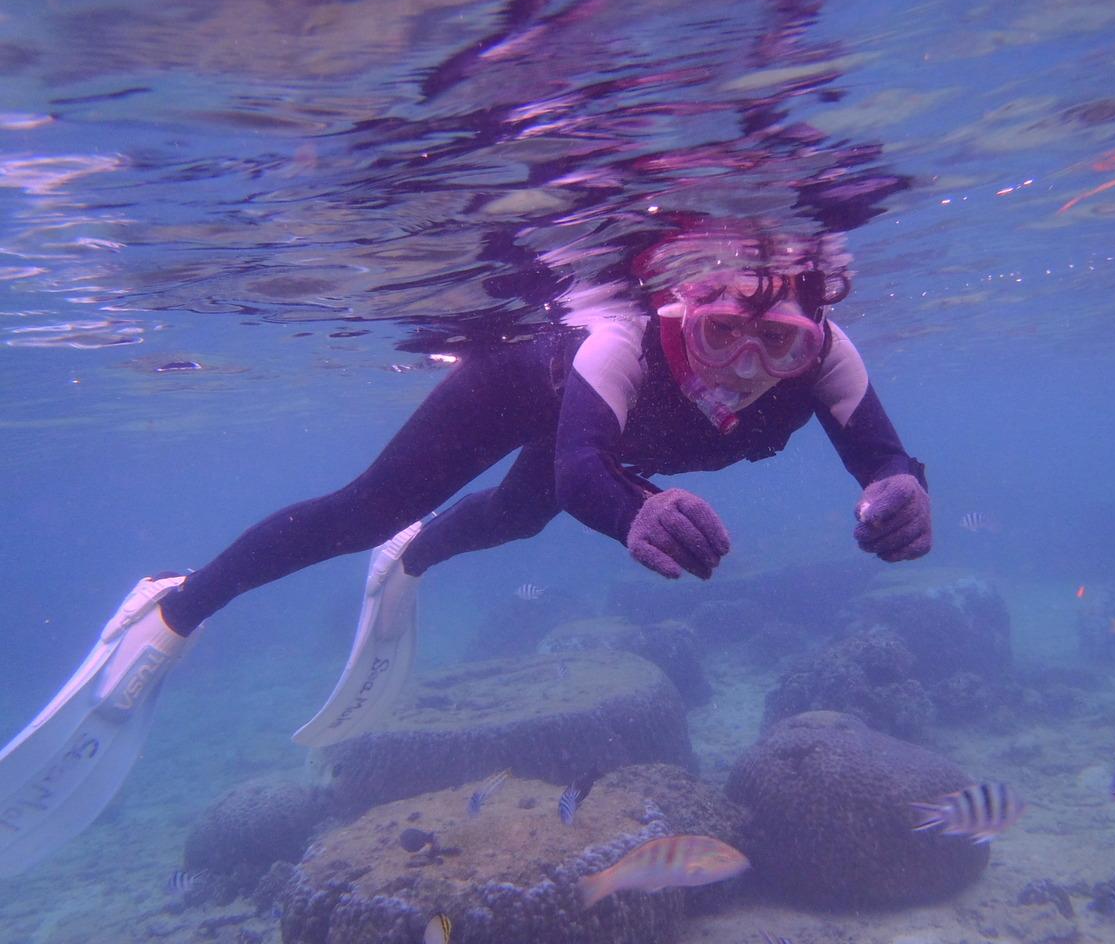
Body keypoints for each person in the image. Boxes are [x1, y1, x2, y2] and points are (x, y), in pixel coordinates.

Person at [0, 218, 931, 876]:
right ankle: (176, 602)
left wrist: (900, 491)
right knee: (364, 510)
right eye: (722, 333)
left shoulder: (829, 356)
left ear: (812, 337)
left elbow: (883, 456)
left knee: (518, 519)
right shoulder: (622, 335)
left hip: (612, 448)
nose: (746, 368)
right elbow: (581, 468)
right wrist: (632, 513)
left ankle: (412, 559)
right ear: (683, 307)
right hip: (523, 392)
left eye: (779, 345)